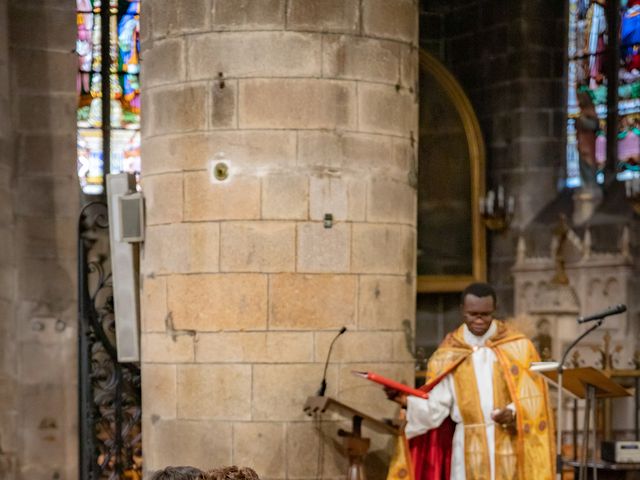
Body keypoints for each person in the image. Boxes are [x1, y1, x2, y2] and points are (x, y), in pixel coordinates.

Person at [387, 283, 555, 480]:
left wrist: (513, 411)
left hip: (508, 442)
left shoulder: (518, 346)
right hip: (466, 444)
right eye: (472, 314)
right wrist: (406, 401)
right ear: (462, 311)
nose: (479, 320)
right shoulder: (448, 353)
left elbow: (533, 396)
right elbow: (436, 407)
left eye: (485, 314)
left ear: (495, 310)